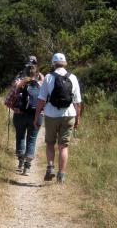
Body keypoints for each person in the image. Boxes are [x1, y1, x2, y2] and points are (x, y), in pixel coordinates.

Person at [34, 53, 81, 183]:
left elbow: (41, 99)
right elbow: (77, 102)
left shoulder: (48, 77)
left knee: (50, 143)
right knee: (63, 146)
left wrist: (37, 116)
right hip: (69, 114)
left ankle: (50, 167)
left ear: (53, 63)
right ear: (65, 63)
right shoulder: (73, 77)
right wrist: (78, 118)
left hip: (51, 114)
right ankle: (61, 175)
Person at [5, 61, 44, 176]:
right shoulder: (41, 85)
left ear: (24, 73)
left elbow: (7, 102)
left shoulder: (18, 83)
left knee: (20, 137)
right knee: (32, 140)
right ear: (36, 74)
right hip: (36, 116)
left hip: (20, 115)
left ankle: (20, 164)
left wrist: (15, 108)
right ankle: (27, 167)